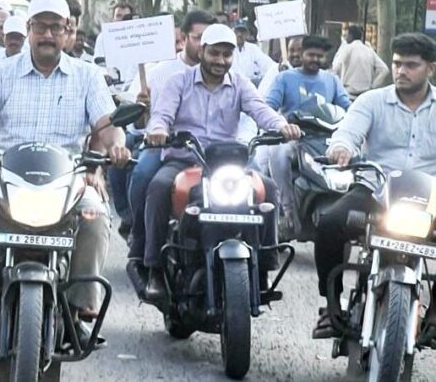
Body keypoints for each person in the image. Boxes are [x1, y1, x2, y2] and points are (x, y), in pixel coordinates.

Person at [0, 0, 130, 336]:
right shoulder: (1, 72)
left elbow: (107, 126)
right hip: (2, 175)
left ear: (67, 30)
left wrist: (117, 146)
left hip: (67, 180)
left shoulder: (87, 76)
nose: (47, 35)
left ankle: (78, 308)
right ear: (28, 29)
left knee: (95, 216)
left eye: (55, 27)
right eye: (40, 27)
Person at [141, 24, 301, 300]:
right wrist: (158, 131)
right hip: (184, 163)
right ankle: (154, 267)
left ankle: (264, 264)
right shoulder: (178, 82)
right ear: (202, 51)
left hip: (228, 166)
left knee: (269, 189)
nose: (220, 61)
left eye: (226, 55)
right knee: (157, 187)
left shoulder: (239, 83)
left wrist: (282, 126)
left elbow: (260, 110)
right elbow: (162, 115)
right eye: (214, 53)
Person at [314, 33, 436, 338]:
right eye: (397, 64)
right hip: (376, 191)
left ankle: (434, 316)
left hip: (429, 199)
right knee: (329, 223)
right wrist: (341, 147)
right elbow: (348, 132)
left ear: (430, 68)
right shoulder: (372, 100)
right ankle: (332, 308)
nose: (401, 71)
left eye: (411, 65)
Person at [121, 10, 215, 261]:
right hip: (167, 148)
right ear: (183, 38)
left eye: (211, 39)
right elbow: (136, 126)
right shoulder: (159, 72)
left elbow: (250, 113)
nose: (206, 45)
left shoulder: (226, 73)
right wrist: (143, 111)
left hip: (214, 152)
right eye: (199, 37)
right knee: (144, 175)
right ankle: (141, 239)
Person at [263, 35, 352, 235]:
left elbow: (347, 107)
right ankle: (286, 209)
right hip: (292, 137)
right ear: (302, 54)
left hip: (323, 138)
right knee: (278, 153)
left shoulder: (332, 80)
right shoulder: (284, 78)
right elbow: (269, 106)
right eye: (311, 55)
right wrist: (281, 125)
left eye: (320, 56)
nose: (315, 60)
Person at [332, 24, 389, 96]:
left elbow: (336, 67)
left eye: (346, 35)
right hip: (365, 93)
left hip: (348, 92)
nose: (345, 38)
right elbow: (384, 70)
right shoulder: (369, 50)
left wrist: (337, 85)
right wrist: (373, 86)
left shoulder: (347, 49)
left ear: (350, 35)